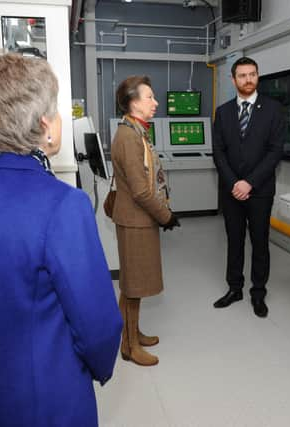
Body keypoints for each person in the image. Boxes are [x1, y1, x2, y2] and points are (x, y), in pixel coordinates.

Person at [0, 53, 122, 427]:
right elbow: (99, 325)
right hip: (45, 397)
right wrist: (97, 368)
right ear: (45, 125)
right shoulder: (63, 205)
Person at [111, 75, 179, 366]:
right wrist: (165, 215)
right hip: (136, 220)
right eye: (150, 97)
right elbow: (140, 190)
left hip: (139, 219)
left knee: (133, 284)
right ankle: (128, 346)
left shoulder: (136, 131)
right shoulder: (128, 137)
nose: (156, 102)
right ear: (133, 102)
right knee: (133, 285)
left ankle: (133, 332)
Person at [212, 57, 284, 318]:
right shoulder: (223, 112)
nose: (248, 79)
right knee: (234, 240)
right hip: (231, 192)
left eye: (252, 74)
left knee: (260, 241)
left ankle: (258, 292)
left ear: (258, 76)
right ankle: (235, 288)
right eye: (242, 75)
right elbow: (218, 152)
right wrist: (234, 183)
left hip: (260, 190)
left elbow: (275, 151)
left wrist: (249, 182)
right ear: (233, 80)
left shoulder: (274, 110)